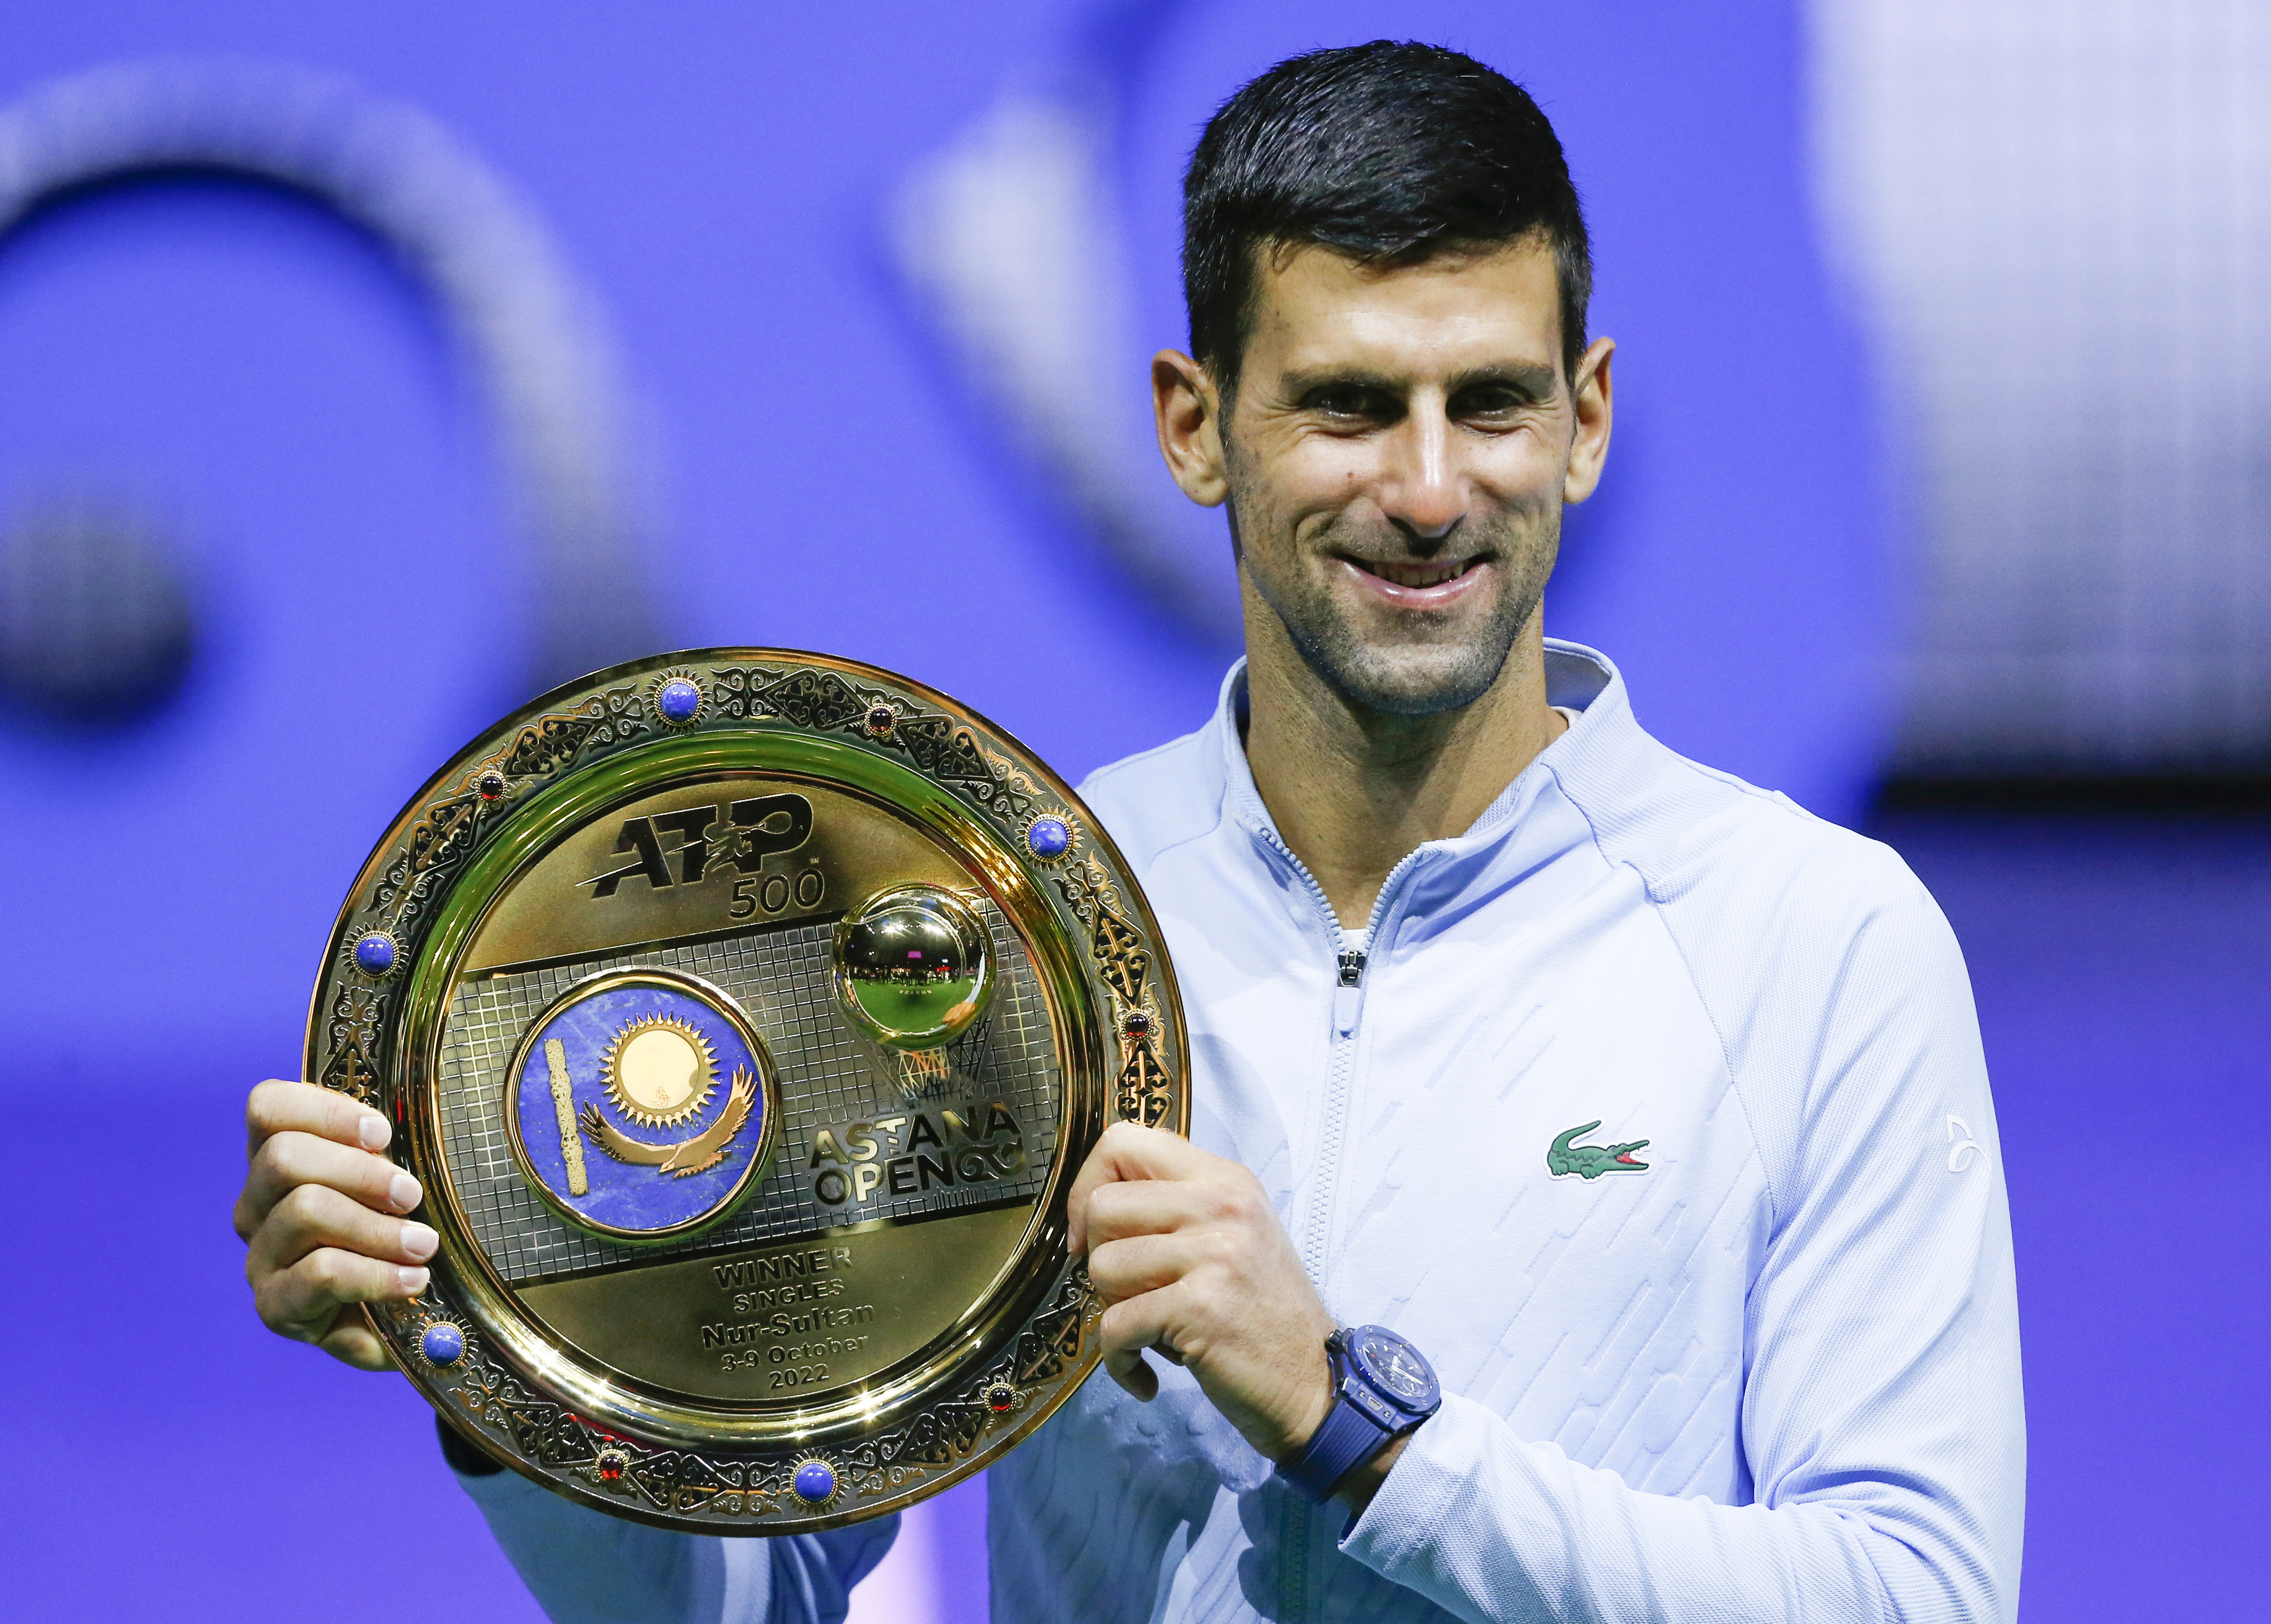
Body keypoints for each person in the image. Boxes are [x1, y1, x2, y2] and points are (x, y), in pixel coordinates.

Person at [236, 41, 2023, 1624]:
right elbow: (748, 1601)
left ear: (1587, 422)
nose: (1424, 488)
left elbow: (1912, 1597)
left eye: (1490, 401)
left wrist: (1353, 1423)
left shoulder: (1817, 935)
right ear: (1194, 428)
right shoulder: (1004, 920)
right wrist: (494, 1367)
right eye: (1343, 405)